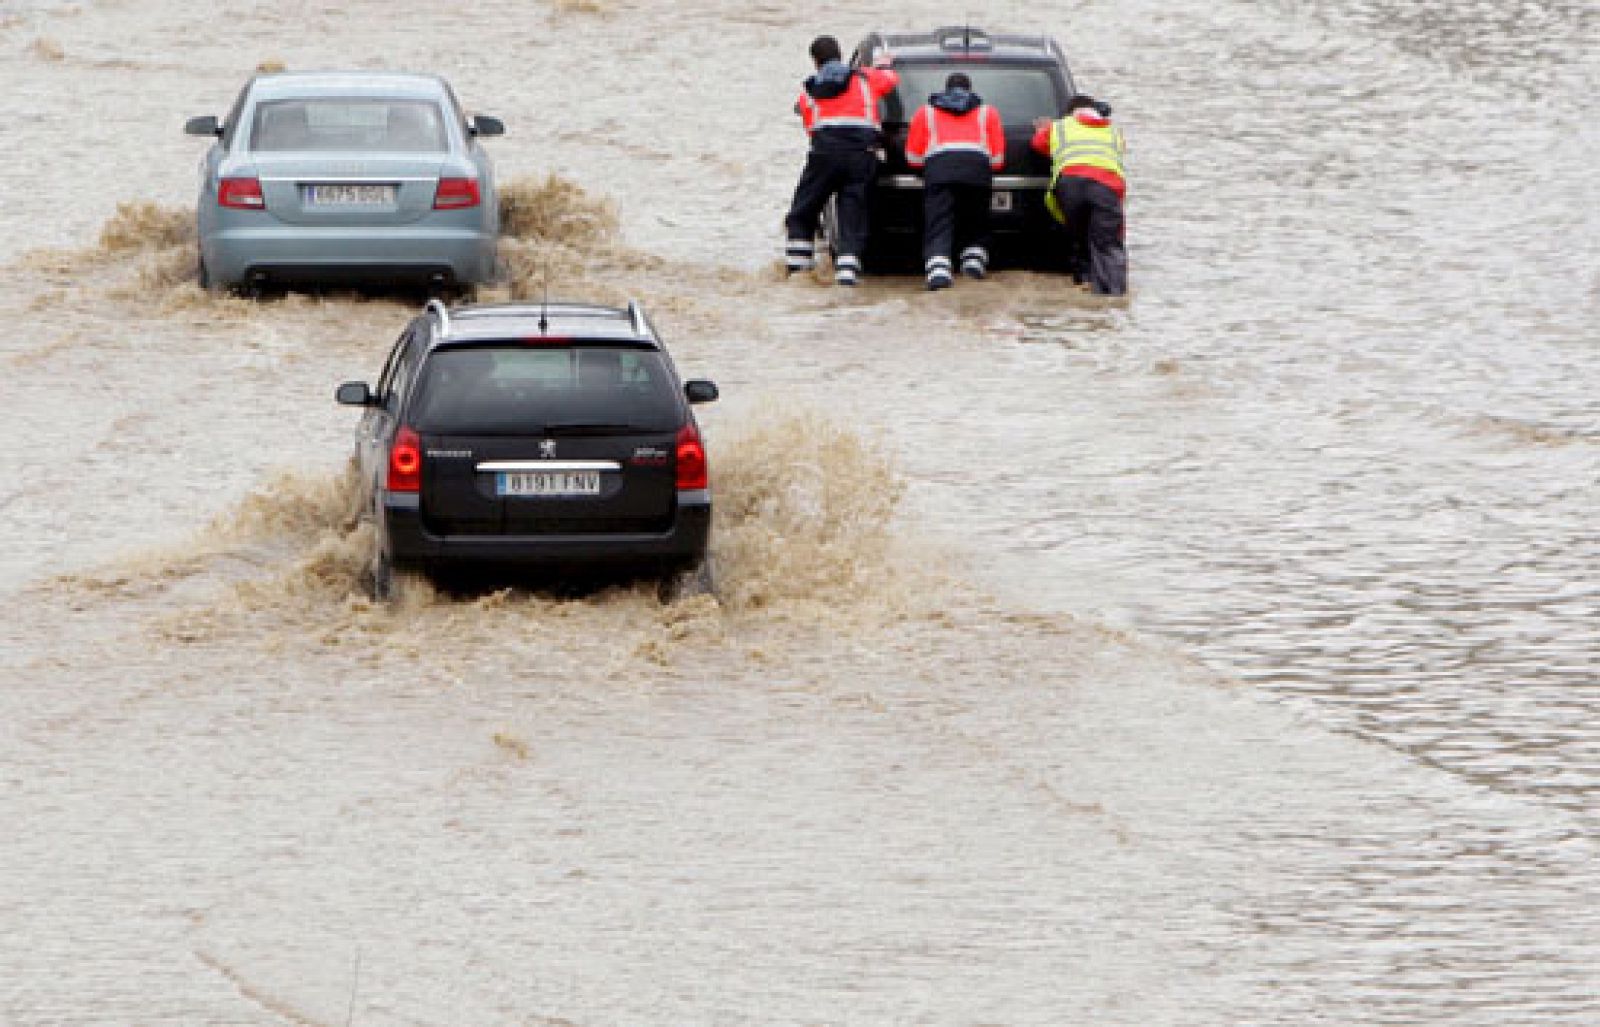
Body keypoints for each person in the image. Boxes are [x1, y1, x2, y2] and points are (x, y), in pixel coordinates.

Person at [783, 35, 898, 287]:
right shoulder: (867, 78)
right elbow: (891, 80)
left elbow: (812, 130)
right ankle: (848, 272)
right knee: (852, 211)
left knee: (803, 210)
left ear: (815, 62)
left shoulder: (810, 90)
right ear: (840, 54)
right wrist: (885, 63)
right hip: (862, 154)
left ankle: (798, 272)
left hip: (825, 154)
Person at [905, 72, 1005, 290]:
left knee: (939, 220)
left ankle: (939, 271)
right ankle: (973, 265)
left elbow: (912, 158)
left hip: (939, 170)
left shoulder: (925, 112)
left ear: (945, 89)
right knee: (976, 219)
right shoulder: (988, 113)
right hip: (977, 170)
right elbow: (997, 161)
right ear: (971, 90)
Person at [1031, 95, 1128, 296]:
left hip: (1070, 184)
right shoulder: (1113, 131)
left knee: (1078, 235)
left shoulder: (1058, 127)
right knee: (1107, 242)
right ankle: (1113, 295)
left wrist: (1043, 129)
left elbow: (1038, 144)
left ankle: (1083, 280)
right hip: (1106, 185)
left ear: (1070, 112)